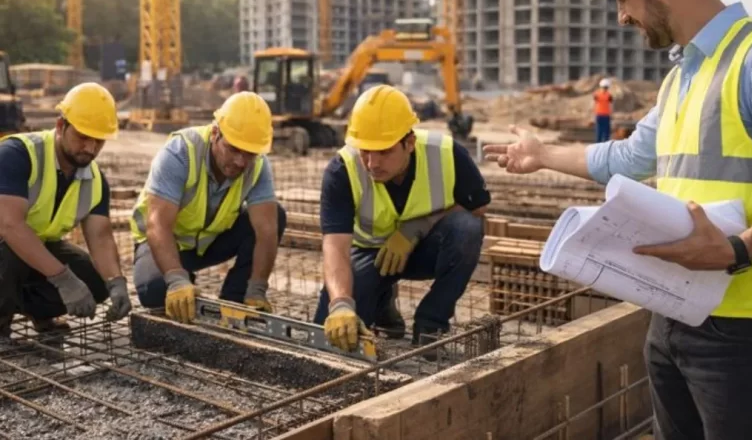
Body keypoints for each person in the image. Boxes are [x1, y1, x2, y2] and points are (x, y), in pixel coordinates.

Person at [483, 0, 752, 438]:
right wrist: (542, 156)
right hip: (674, 316)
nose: (621, 17)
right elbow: (628, 158)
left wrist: (737, 249)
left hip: (750, 330)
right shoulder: (682, 78)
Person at [314, 85, 490, 357]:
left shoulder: (446, 153)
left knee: (467, 228)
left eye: (383, 152)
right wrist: (340, 304)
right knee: (334, 332)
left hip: (425, 250)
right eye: (365, 152)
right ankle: (383, 303)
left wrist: (413, 229)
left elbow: (477, 210)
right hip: (371, 254)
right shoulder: (342, 170)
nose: (372, 163)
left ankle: (431, 323)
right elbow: (335, 246)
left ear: (409, 143)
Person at [130, 92, 287, 323]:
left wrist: (257, 289)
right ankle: (181, 277)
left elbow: (266, 231)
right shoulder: (181, 152)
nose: (241, 162)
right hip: (164, 244)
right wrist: (176, 279)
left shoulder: (258, 166)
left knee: (276, 215)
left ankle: (237, 299)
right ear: (215, 133)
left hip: (208, 243)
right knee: (155, 291)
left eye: (250, 154)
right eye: (233, 149)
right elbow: (158, 225)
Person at [0, 83, 132, 337]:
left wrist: (116, 282)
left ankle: (34, 310)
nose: (91, 148)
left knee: (94, 279)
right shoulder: (17, 154)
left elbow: (101, 238)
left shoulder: (94, 180)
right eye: (83, 137)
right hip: (6, 244)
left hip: (33, 248)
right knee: (10, 251)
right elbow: (10, 225)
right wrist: (63, 279)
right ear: (61, 126)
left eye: (98, 141)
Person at [594, 78, 613, 142]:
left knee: (600, 132)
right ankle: (605, 147)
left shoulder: (597, 95)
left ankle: (598, 146)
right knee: (605, 133)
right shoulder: (609, 95)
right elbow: (611, 105)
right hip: (605, 115)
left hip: (600, 115)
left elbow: (594, 104)